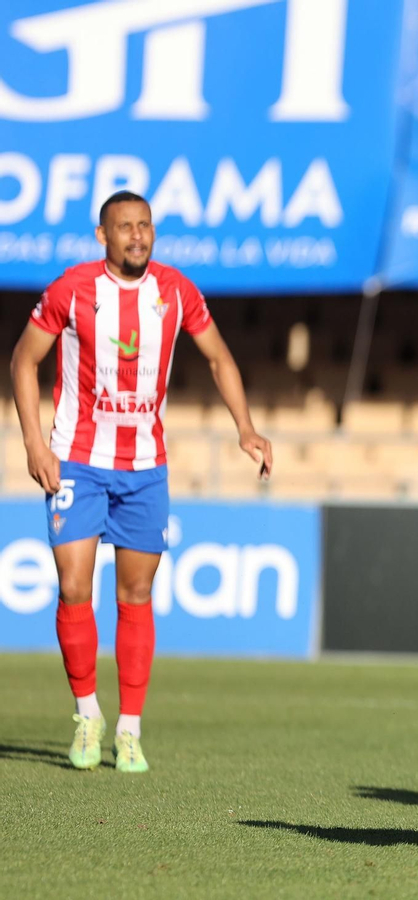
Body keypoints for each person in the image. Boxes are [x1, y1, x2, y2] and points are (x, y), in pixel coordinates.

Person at [8, 190, 273, 773]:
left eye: (145, 226)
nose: (137, 235)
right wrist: (33, 442)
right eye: (124, 226)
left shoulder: (176, 292)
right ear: (102, 236)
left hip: (145, 467)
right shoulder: (71, 290)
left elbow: (220, 359)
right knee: (74, 586)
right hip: (76, 458)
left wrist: (246, 429)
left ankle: (128, 728)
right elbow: (23, 360)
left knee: (136, 594)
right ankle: (86, 714)